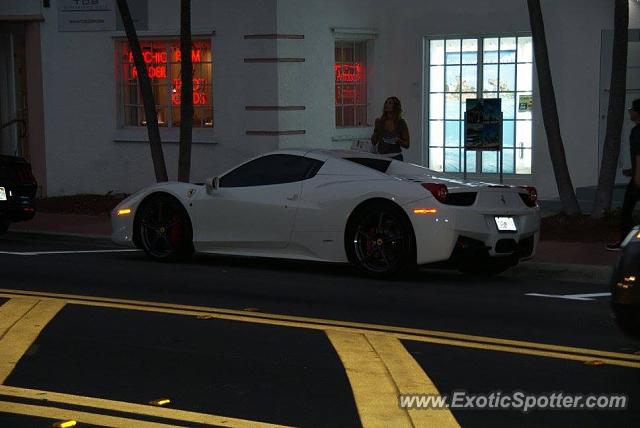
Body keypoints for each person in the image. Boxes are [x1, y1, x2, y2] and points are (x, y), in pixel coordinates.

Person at [606, 98, 640, 251]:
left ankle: (625, 243)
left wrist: (637, 177)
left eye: (632, 109)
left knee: (626, 211)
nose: (630, 112)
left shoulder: (637, 131)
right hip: (636, 175)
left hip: (638, 180)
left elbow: (639, 155)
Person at [371, 96, 410, 161]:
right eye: (386, 102)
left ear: (395, 106)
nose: (386, 104)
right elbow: (373, 141)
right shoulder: (380, 121)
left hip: (396, 157)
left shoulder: (401, 123)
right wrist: (377, 129)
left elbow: (407, 145)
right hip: (381, 157)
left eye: (390, 103)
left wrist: (398, 140)